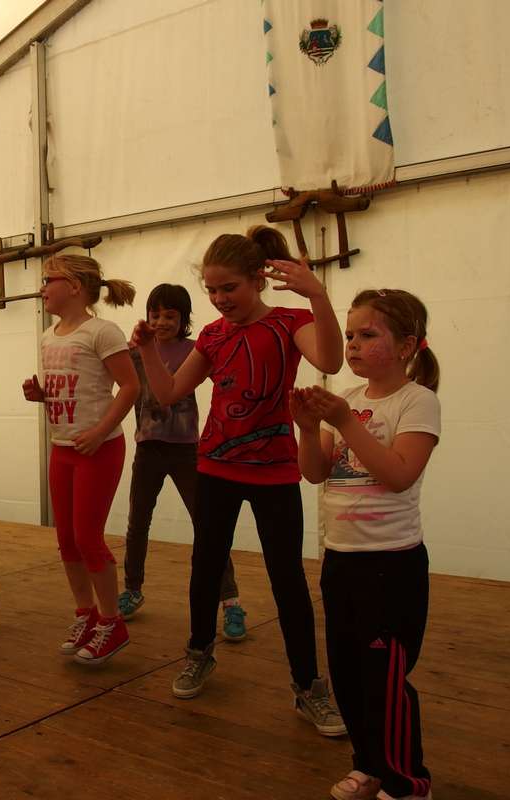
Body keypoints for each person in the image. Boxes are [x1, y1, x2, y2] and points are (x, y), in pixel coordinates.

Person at [134, 225, 346, 736]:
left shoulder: (289, 322)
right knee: (205, 567)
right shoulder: (213, 335)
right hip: (215, 467)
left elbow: (330, 360)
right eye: (212, 289)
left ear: (257, 280)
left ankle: (308, 685)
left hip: (274, 468)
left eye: (229, 288)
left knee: (287, 577)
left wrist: (317, 295)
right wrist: (148, 351)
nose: (220, 298)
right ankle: (198, 653)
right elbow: (169, 393)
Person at [293, 289, 440, 800]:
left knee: (385, 679)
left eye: (367, 335)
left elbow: (399, 475)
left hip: (390, 566)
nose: (352, 345)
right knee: (349, 674)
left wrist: (342, 422)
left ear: (406, 346)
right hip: (342, 559)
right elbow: (315, 473)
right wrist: (307, 429)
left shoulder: (417, 401)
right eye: (350, 335)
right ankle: (370, 763)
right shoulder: (350, 400)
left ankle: (407, 782)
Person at [22, 253, 139, 665]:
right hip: (63, 447)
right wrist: (43, 396)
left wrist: (101, 431)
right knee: (67, 539)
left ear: (73, 286)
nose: (42, 288)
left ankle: (112, 621)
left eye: (48, 280)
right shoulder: (48, 336)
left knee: (89, 538)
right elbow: (73, 389)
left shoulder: (103, 332)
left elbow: (130, 386)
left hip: (98, 449)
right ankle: (85, 614)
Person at [119, 284, 248, 640]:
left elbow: (228, 375)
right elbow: (105, 378)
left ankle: (231, 601)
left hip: (187, 450)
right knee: (137, 522)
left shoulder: (194, 350)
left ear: (184, 319)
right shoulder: (135, 352)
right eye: (155, 314)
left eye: (170, 315)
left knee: (207, 525)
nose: (161, 321)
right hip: (148, 448)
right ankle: (132, 588)